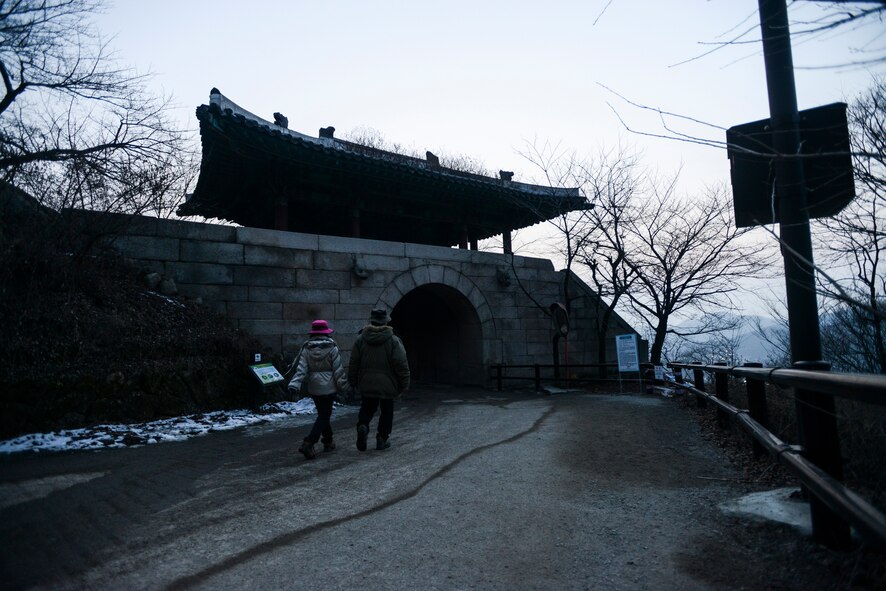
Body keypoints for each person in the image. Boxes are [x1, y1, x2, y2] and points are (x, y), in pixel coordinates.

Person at [348, 308, 410, 451]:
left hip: (366, 381)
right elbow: (401, 363)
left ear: (372, 320)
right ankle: (382, 438)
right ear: (386, 321)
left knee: (367, 407)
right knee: (387, 410)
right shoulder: (394, 340)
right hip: (387, 383)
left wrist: (353, 380)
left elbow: (354, 362)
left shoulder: (361, 339)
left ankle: (363, 425)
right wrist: (404, 383)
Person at [288, 319, 350, 459]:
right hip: (329, 388)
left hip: (314, 387)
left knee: (323, 414)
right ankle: (309, 442)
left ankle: (328, 441)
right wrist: (344, 387)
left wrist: (294, 384)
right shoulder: (332, 348)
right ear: (326, 332)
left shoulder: (307, 348)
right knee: (324, 415)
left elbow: (301, 370)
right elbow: (338, 371)